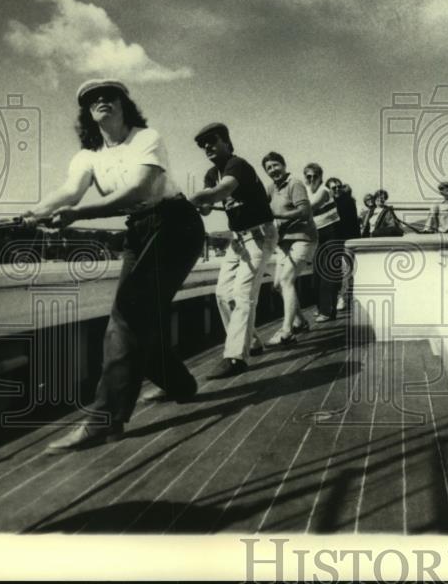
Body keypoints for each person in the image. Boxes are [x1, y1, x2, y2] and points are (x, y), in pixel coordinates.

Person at [28, 79, 205, 452]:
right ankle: (181, 385)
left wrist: (79, 214)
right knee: (141, 316)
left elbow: (141, 189)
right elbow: (70, 191)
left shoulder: (145, 138)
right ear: (87, 114)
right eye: (93, 100)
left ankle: (104, 420)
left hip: (175, 225)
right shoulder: (89, 155)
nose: (101, 101)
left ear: (125, 105)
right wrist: (37, 211)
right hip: (140, 230)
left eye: (109, 96)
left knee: (126, 317)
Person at [189, 122, 277, 378]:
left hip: (260, 235)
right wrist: (201, 204)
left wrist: (191, 200)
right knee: (222, 293)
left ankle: (236, 357)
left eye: (212, 141)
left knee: (242, 294)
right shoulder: (210, 173)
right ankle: (250, 343)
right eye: (202, 144)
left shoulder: (237, 165)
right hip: (238, 239)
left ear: (227, 143)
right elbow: (208, 203)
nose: (207, 146)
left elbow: (223, 190)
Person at [262, 152, 317, 345]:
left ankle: (287, 331)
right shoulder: (270, 188)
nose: (273, 170)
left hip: (303, 238)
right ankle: (300, 321)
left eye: (276, 165)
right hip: (284, 243)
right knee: (278, 285)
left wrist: (278, 215)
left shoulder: (295, 184)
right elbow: (260, 208)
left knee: (286, 280)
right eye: (268, 168)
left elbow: (305, 212)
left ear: (284, 165)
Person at [304, 162, 341, 322]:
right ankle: (322, 309)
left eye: (315, 176)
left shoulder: (324, 191)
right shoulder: (305, 191)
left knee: (328, 273)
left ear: (320, 177)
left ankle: (327, 311)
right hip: (316, 234)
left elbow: (309, 208)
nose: (311, 179)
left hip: (331, 231)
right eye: (308, 176)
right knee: (318, 273)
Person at [325, 176, 360, 312]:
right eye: (334, 188)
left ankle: (343, 298)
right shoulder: (327, 203)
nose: (337, 189)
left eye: (339, 186)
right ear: (328, 190)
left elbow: (352, 223)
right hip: (333, 240)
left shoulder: (348, 201)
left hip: (347, 240)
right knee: (334, 271)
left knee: (346, 270)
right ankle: (335, 299)